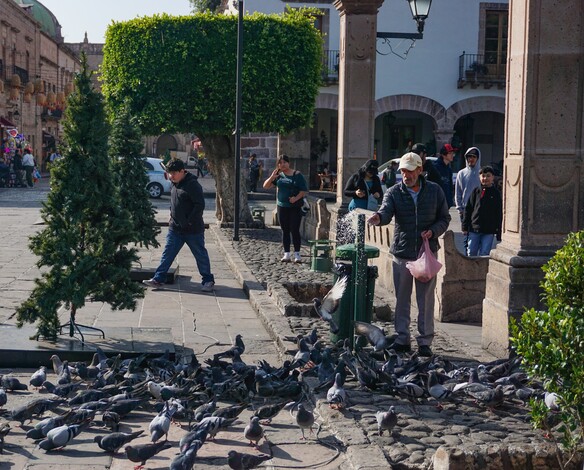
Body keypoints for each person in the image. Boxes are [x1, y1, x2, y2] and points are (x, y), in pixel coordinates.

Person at [367, 152, 451, 357]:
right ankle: (402, 338)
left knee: (425, 299)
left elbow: (445, 218)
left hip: (426, 253)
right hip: (403, 252)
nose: (406, 175)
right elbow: (386, 212)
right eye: (403, 171)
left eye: (410, 171)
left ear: (420, 170)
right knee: (402, 298)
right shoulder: (394, 192)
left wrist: (433, 231)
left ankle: (424, 341)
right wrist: (379, 218)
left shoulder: (435, 191)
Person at [143, 159, 215, 292]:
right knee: (168, 254)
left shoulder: (192, 185)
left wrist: (189, 221)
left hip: (192, 229)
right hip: (175, 228)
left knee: (200, 255)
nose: (171, 176)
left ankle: (208, 280)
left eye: (174, 173)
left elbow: (199, 205)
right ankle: (158, 279)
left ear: (182, 171)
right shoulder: (175, 183)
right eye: (169, 173)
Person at [263, 154, 308, 263]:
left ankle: (297, 254)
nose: (282, 164)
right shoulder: (278, 175)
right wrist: (271, 178)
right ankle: (286, 254)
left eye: (284, 162)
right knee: (285, 230)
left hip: (294, 206)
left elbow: (304, 190)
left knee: (294, 229)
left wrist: (296, 198)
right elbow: (266, 186)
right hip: (282, 206)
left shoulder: (297, 175)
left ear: (288, 163)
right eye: (280, 163)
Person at [462, 165, 502, 257]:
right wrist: (465, 226)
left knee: (484, 254)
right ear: (479, 177)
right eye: (483, 176)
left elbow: (499, 213)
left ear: (493, 177)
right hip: (474, 228)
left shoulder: (496, 193)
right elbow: (468, 209)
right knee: (471, 252)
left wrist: (499, 232)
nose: (485, 178)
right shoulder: (476, 191)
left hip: (489, 230)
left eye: (488, 176)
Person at [455, 147, 481, 251]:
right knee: (466, 236)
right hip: (465, 209)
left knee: (477, 235)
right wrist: (459, 208)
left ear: (478, 158)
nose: (471, 159)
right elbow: (458, 192)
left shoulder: (481, 174)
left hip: (479, 209)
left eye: (474, 157)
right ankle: (468, 257)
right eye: (469, 157)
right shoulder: (461, 173)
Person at [433, 144, 456, 208]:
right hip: (436, 203)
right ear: (443, 154)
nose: (452, 155)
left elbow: (450, 186)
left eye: (453, 153)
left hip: (446, 203)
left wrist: (450, 200)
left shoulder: (449, 169)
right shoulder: (435, 167)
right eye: (450, 153)